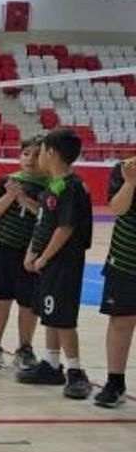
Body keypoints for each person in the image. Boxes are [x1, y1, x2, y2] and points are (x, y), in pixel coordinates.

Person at [16, 129, 93, 400]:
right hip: (48, 262)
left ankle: (76, 372)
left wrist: (44, 257)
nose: (37, 157)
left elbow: (65, 228)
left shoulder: (70, 187)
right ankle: (51, 364)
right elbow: (44, 224)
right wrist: (32, 252)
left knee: (63, 318)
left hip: (64, 262)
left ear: (51, 153)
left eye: (41, 151)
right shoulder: (54, 185)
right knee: (50, 312)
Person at [0, 137, 46, 369]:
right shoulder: (7, 181)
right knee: (1, 297)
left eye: (37, 155)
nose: (30, 159)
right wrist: (10, 195)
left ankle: (25, 348)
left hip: (32, 252)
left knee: (28, 302)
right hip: (4, 246)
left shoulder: (50, 186)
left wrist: (23, 199)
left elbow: (47, 216)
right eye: (26, 154)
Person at [96, 156, 136, 408]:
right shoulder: (126, 167)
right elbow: (117, 208)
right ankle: (115, 382)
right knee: (121, 320)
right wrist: (130, 183)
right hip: (125, 258)